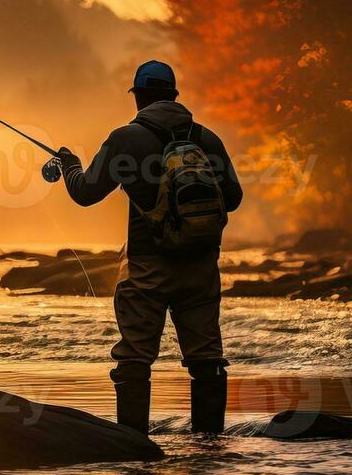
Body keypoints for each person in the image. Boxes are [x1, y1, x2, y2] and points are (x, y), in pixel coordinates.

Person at [46, 60, 243, 435]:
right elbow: (233, 199)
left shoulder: (125, 139)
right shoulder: (207, 139)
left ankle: (134, 451)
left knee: (134, 359)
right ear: (173, 96)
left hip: (147, 267)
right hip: (201, 267)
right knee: (207, 360)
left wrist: (70, 166)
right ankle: (210, 451)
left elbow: (85, 193)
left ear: (139, 97)